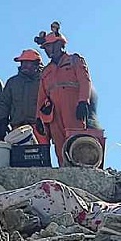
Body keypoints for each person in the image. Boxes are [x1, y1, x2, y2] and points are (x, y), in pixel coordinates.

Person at [35, 22, 94, 167]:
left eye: (49, 46)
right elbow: (41, 96)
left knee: (77, 142)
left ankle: (80, 170)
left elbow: (85, 81)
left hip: (73, 109)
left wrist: (83, 101)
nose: (47, 50)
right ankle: (64, 171)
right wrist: (38, 118)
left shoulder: (74, 60)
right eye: (46, 48)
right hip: (54, 114)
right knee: (59, 145)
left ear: (59, 44)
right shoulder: (46, 71)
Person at [0, 49, 46, 143]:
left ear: (36, 64)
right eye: (23, 62)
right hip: (18, 129)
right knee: (19, 156)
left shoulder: (44, 81)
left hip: (40, 128)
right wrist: (2, 122)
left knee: (41, 155)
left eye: (28, 62)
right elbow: (4, 104)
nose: (24, 65)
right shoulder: (12, 82)